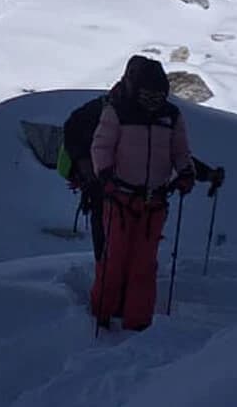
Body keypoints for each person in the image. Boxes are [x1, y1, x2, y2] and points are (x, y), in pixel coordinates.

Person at [90, 55, 195, 331]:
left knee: (144, 264)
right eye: (147, 94)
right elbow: (101, 147)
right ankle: (101, 314)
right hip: (120, 197)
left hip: (155, 201)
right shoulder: (117, 111)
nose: (153, 100)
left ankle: (138, 321)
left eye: (158, 95)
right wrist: (105, 176)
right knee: (115, 258)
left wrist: (186, 172)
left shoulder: (172, 116)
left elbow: (180, 151)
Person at [61, 93, 109, 260]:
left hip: (94, 182)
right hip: (101, 183)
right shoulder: (109, 107)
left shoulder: (100, 107)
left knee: (102, 226)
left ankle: (103, 267)